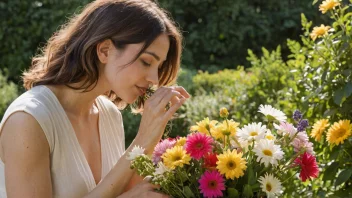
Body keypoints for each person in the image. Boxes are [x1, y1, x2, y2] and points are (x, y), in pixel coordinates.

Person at [0, 0, 190, 197]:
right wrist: (141, 139)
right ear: (104, 50)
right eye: (146, 61)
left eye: (158, 67)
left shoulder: (109, 114)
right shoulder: (28, 120)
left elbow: (130, 191)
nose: (154, 79)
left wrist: (152, 133)